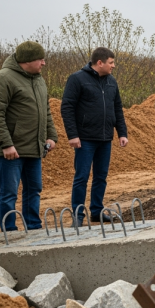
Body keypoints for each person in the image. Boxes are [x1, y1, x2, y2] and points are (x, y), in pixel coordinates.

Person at [0, 41, 58, 231]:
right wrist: (6, 144)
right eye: (40, 59)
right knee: (9, 193)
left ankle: (33, 226)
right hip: (12, 150)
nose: (43, 63)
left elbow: (46, 110)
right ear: (27, 60)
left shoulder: (38, 79)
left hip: (34, 147)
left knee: (34, 190)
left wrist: (51, 136)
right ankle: (9, 231)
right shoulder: (4, 78)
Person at [61, 47, 128, 225]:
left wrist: (122, 132)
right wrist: (73, 135)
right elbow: (67, 107)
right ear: (100, 63)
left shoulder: (112, 82)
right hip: (85, 139)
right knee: (82, 177)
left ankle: (97, 211)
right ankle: (78, 215)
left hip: (105, 138)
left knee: (100, 177)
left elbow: (117, 109)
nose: (114, 66)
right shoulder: (77, 79)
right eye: (111, 62)